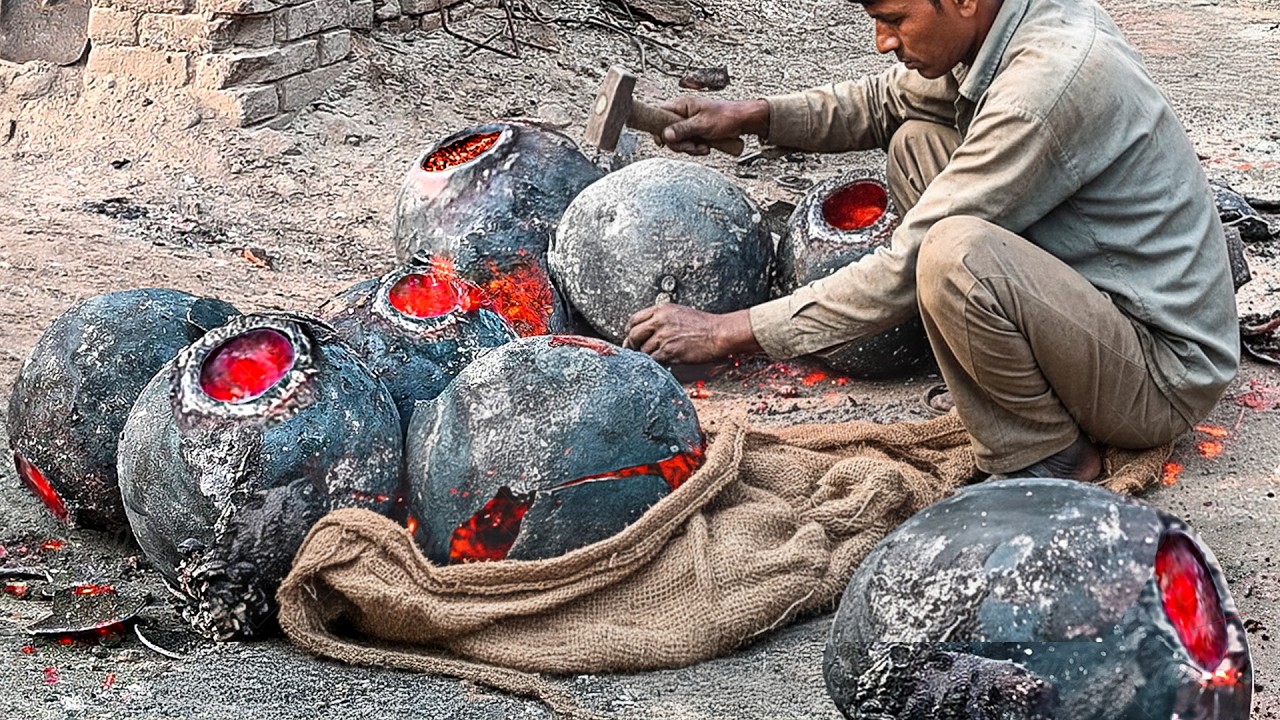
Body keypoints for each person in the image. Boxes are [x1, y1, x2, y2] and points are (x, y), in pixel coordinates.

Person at [622, 0, 1239, 482]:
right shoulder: (1006, 23)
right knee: (917, 142)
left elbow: (906, 264)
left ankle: (1047, 453)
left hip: (1163, 376)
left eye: (895, 20)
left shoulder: (1045, 84)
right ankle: (1006, 373)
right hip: (1107, 308)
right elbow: (883, 102)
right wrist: (753, 115)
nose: (883, 42)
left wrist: (728, 331)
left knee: (950, 255)